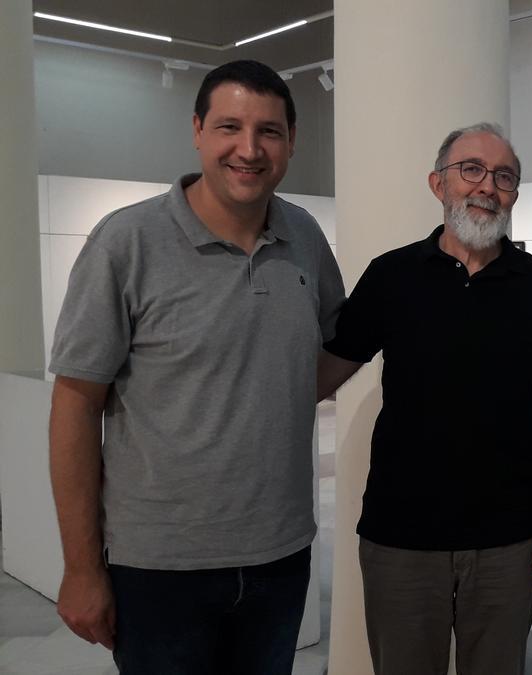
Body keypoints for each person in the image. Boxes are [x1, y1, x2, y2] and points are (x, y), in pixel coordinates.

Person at [48, 60, 344, 674]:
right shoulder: (126, 243)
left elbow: (328, 352)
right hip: (158, 567)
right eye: (229, 127)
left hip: (280, 556)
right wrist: (81, 568)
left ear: (292, 141)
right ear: (197, 131)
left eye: (269, 131)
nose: (249, 149)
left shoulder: (305, 236)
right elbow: (75, 405)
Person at [318, 122, 532, 675]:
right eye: (472, 170)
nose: (488, 186)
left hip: (508, 541)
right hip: (402, 539)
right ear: (438, 183)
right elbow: (325, 372)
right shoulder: (391, 276)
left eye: (504, 176)